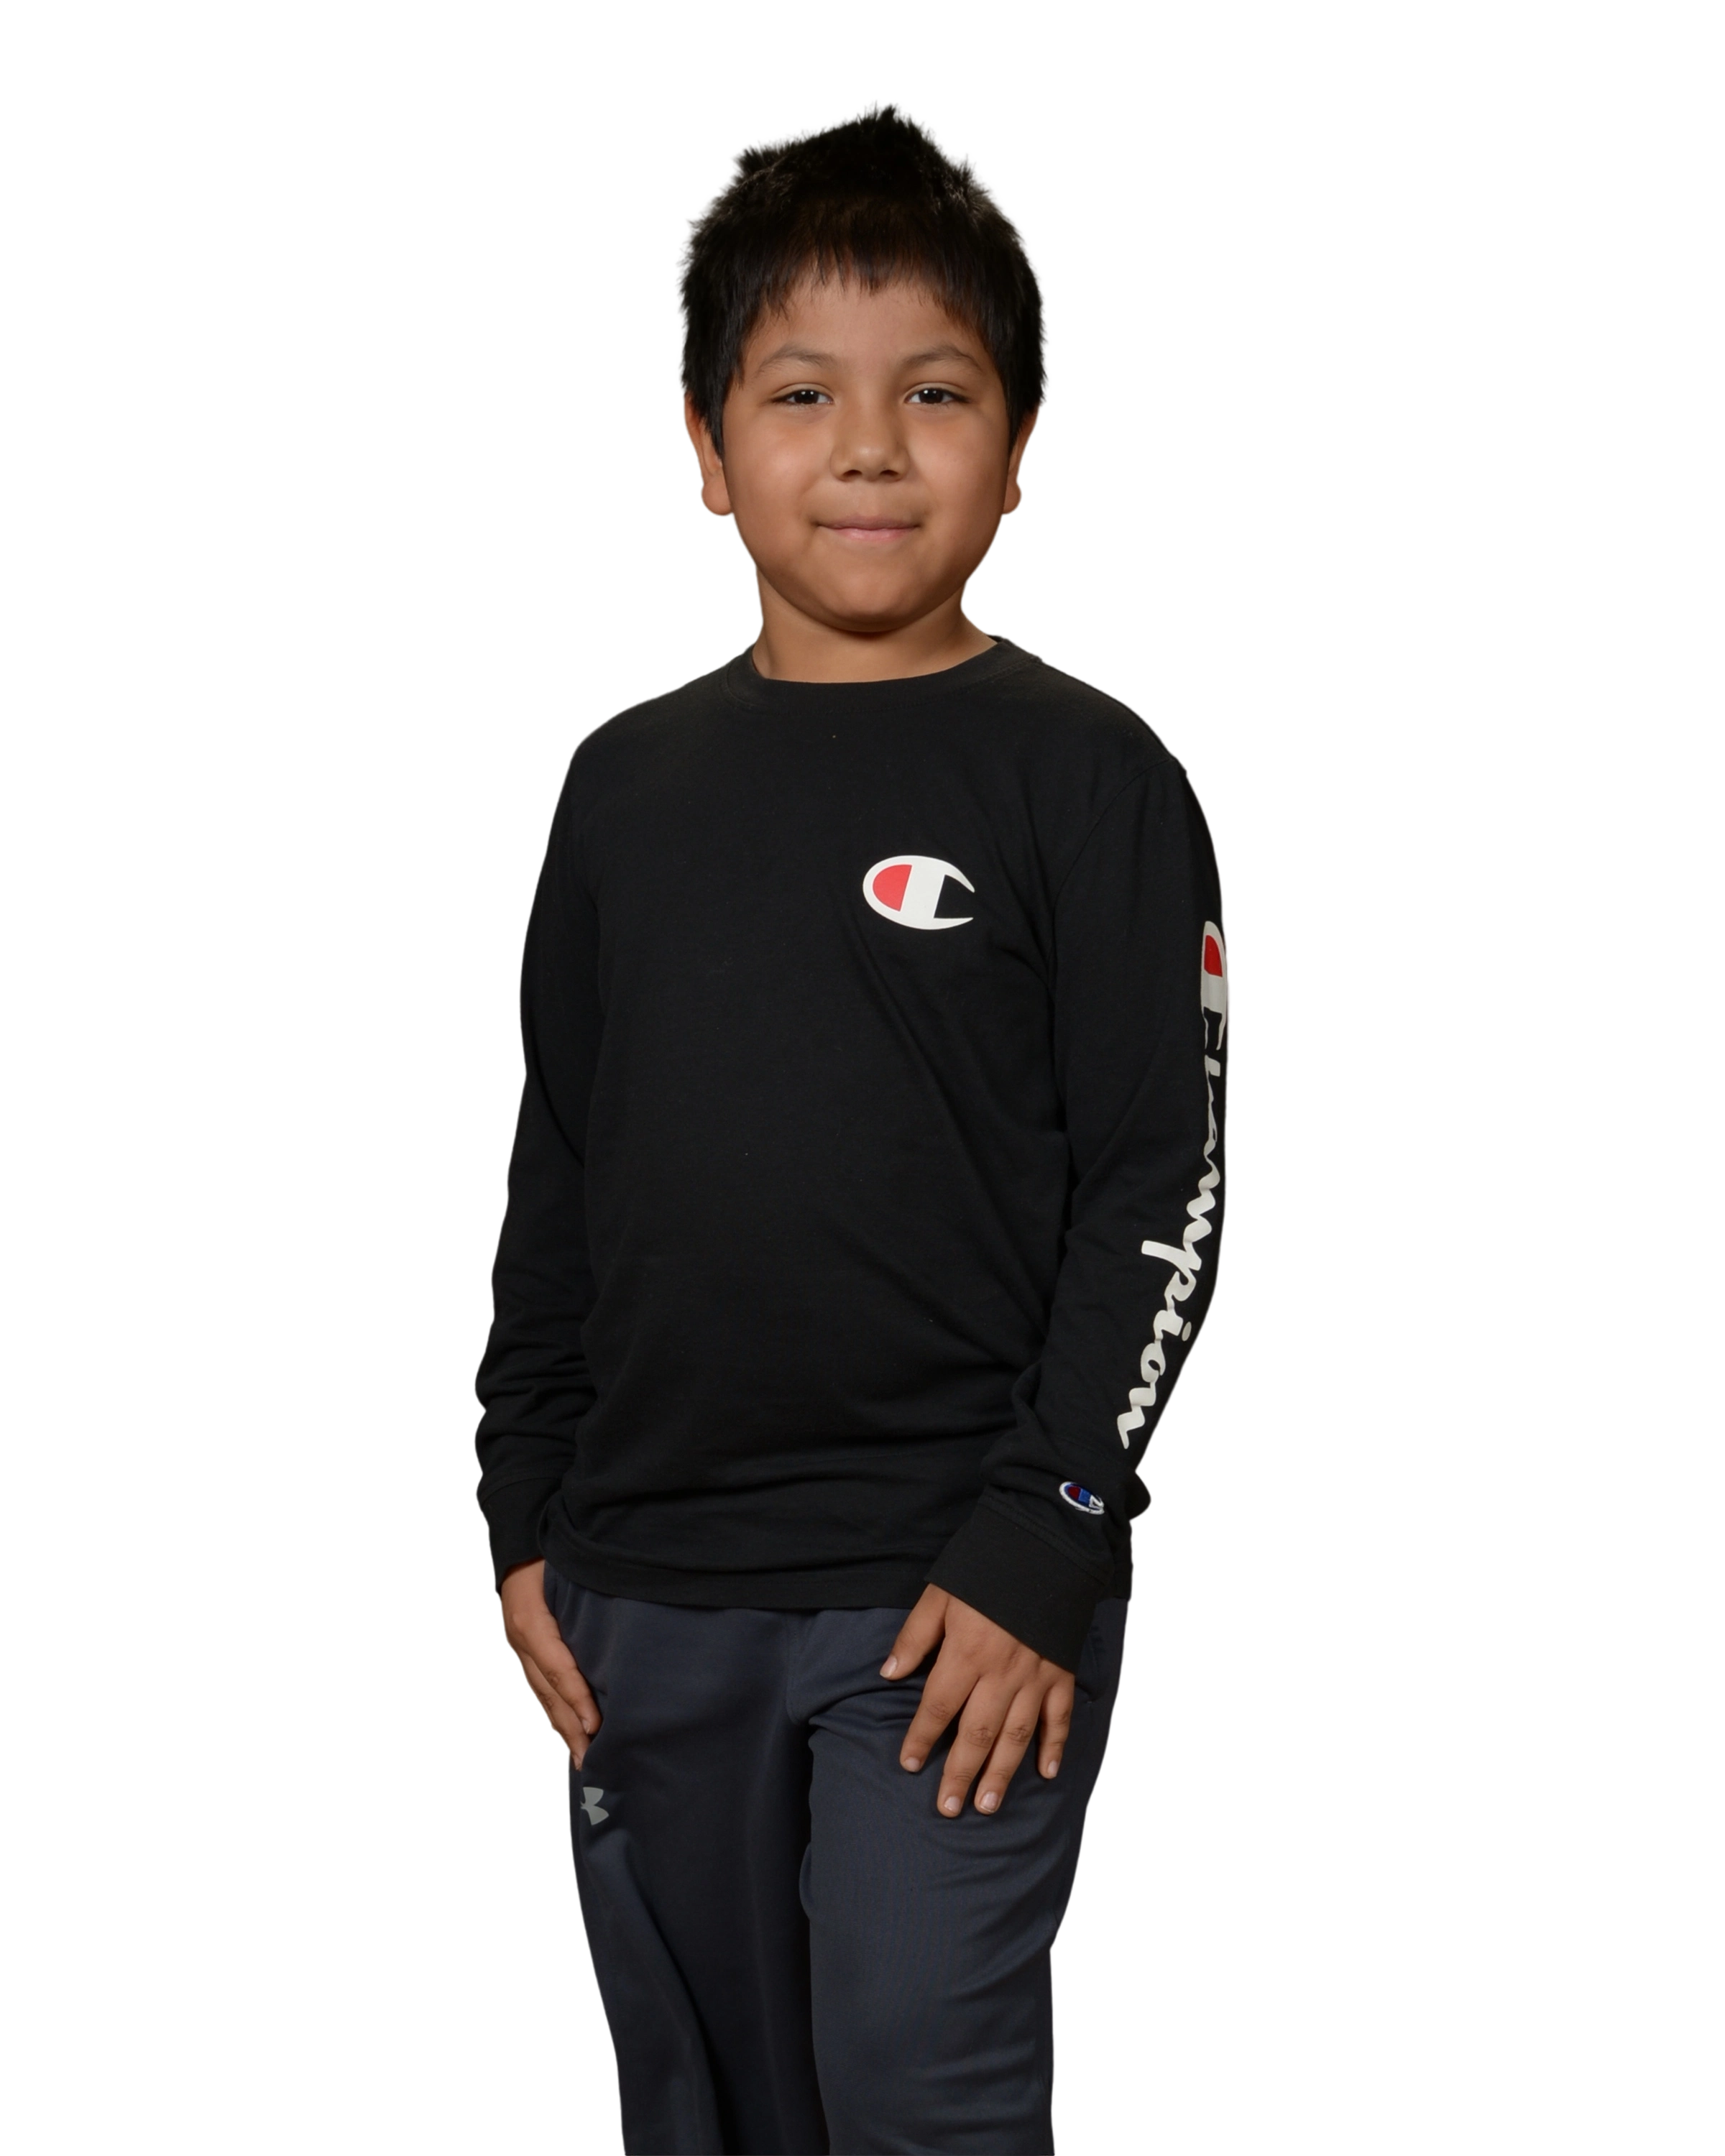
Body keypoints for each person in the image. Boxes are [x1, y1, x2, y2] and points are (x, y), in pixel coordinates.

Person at [471, 97, 1229, 2156]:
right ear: (708, 448)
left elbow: (1163, 1190)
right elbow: (564, 1167)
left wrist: (1049, 1536)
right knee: (707, 2108)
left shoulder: (1096, 782)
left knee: (916, 2097)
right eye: (802, 392)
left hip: (953, 1600)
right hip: (645, 1593)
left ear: (1021, 444)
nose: (871, 447)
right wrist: (525, 1513)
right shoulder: (622, 790)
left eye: (937, 392)